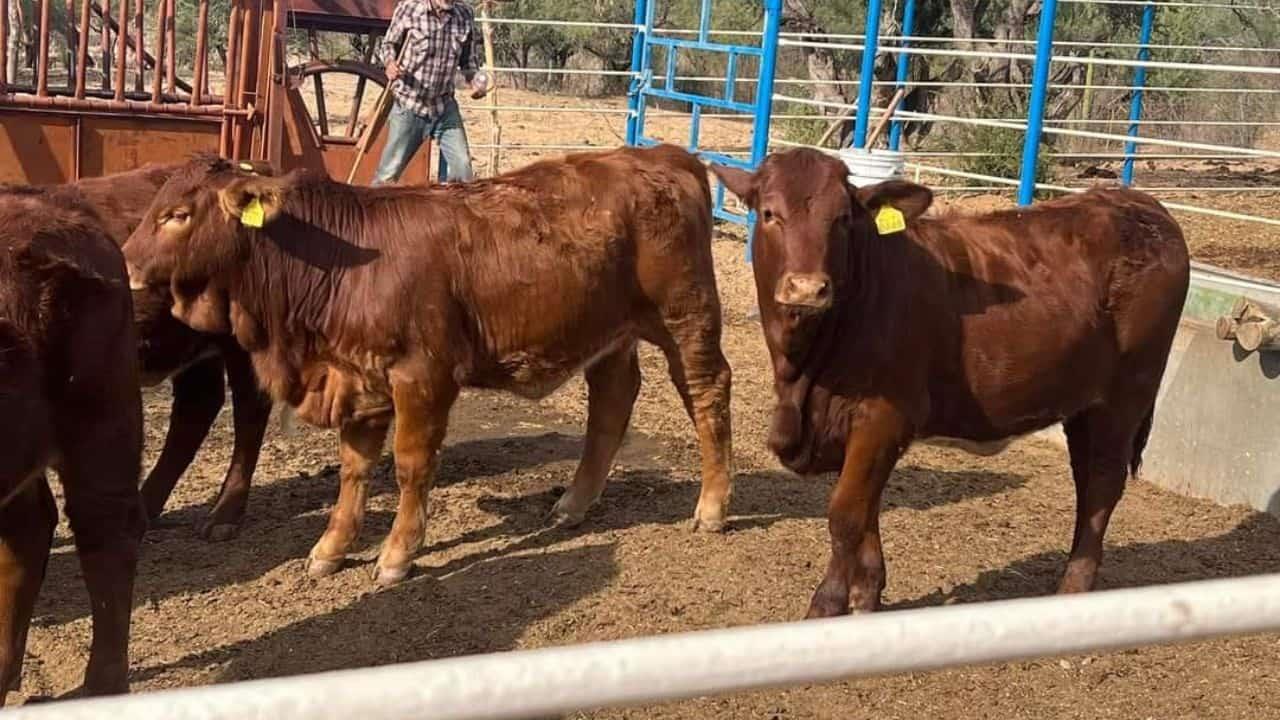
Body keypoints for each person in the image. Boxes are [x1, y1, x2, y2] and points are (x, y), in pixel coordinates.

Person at [372, 0, 490, 185]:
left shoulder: (464, 14)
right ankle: (373, 211)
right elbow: (388, 45)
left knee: (463, 169)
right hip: (410, 104)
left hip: (444, 106)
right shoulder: (410, 7)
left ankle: (454, 212)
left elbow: (468, 62)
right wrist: (390, 64)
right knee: (387, 175)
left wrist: (474, 81)